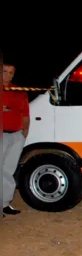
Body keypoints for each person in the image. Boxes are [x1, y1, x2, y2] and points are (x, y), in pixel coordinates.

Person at [2, 62, 29, 217]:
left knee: (8, 170)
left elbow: (25, 113)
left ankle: (5, 203)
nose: (7, 75)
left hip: (15, 135)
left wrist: (24, 132)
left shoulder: (18, 91)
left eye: (11, 72)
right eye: (4, 71)